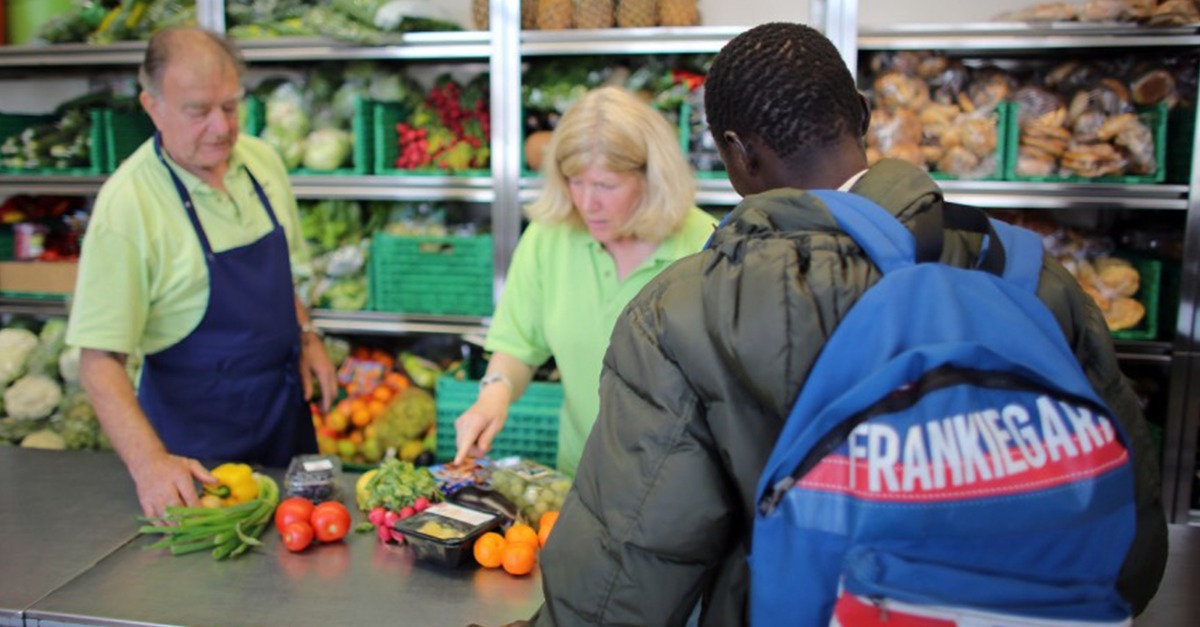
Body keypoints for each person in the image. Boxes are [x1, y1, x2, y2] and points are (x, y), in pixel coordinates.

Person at [527, 22, 1168, 626]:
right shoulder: (1027, 274)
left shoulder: (688, 309)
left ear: (736, 155)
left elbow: (623, 579)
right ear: (862, 115)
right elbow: (1133, 551)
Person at [65, 27, 337, 519]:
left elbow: (286, 278)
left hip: (285, 422)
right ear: (153, 106)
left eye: (230, 107)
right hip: (198, 449)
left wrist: (307, 332)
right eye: (198, 111)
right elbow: (98, 360)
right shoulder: (128, 206)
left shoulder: (262, 163)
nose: (221, 127)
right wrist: (149, 463)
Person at [453, 86, 717, 477]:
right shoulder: (550, 238)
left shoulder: (706, 247)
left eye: (606, 186)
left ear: (652, 177)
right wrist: (494, 394)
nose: (587, 203)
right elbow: (518, 345)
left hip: (682, 487)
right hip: (581, 479)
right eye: (575, 181)